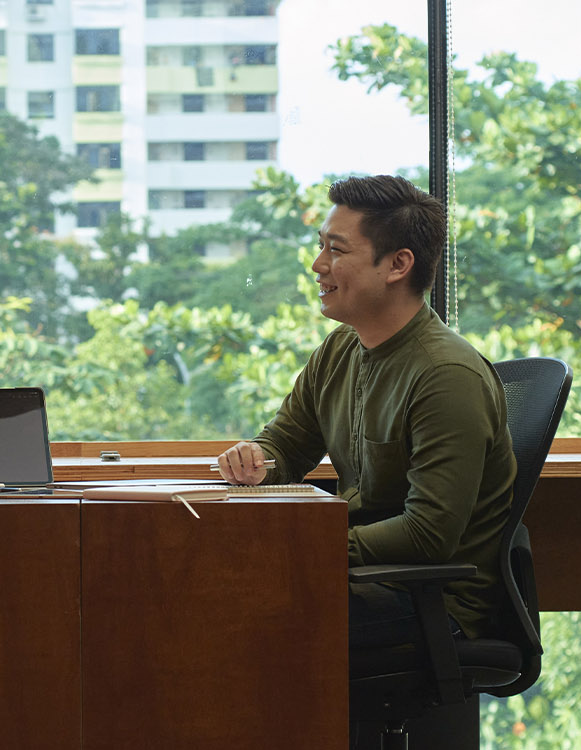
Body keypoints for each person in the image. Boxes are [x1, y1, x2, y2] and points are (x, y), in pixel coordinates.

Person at [215, 175, 516, 647]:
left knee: (231, 616)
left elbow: (428, 533)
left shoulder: (447, 376)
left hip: (430, 604)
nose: (318, 266)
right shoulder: (340, 349)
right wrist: (255, 458)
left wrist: (308, 544)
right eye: (321, 248)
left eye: (336, 251)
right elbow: (286, 446)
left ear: (397, 265)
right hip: (364, 581)